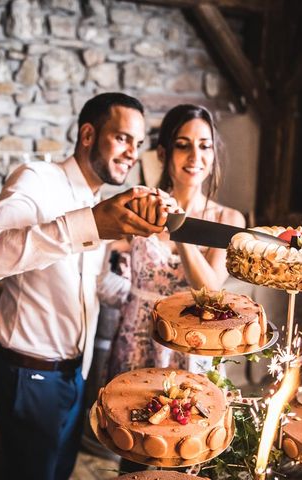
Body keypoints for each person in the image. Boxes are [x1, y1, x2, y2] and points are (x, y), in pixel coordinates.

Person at [0, 92, 177, 480]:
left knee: (61, 472)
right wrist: (90, 225)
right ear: (87, 135)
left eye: (139, 143)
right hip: (29, 374)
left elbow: (89, 285)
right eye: (122, 138)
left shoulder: (96, 201)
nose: (132, 152)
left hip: (74, 374)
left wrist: (149, 293)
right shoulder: (37, 179)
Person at [104, 104, 246, 381]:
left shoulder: (228, 219)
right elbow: (95, 252)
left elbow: (211, 292)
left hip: (193, 348)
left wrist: (178, 226)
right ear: (162, 153)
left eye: (205, 146)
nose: (196, 156)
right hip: (137, 342)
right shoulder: (140, 206)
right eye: (183, 145)